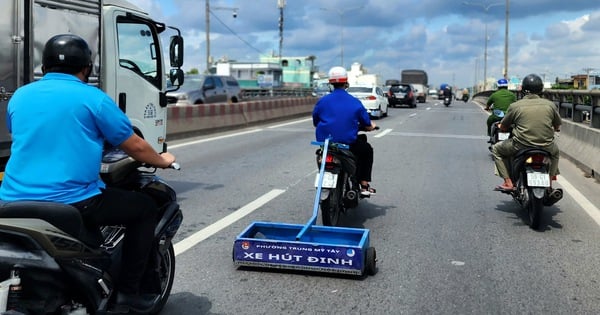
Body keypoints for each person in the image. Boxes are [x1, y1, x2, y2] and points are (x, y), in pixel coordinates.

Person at [0, 34, 176, 312]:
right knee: (143, 209)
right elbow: (136, 146)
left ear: (43, 68)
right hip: (72, 201)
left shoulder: (20, 96)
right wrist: (162, 160)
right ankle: (129, 294)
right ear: (87, 68)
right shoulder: (94, 99)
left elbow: (24, 133)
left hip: (10, 200)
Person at [312, 66, 377, 196]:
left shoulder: (322, 101)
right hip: (348, 144)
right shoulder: (354, 102)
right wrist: (372, 126)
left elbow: (316, 122)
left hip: (327, 144)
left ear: (330, 83)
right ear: (346, 83)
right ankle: (364, 185)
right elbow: (367, 124)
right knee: (367, 150)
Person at [491, 74, 562, 191]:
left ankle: (508, 182)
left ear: (523, 89)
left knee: (496, 149)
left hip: (520, 146)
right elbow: (557, 125)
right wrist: (555, 129)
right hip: (546, 146)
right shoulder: (550, 105)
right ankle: (549, 184)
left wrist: (503, 127)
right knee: (555, 153)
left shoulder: (515, 106)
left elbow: (503, 126)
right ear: (540, 89)